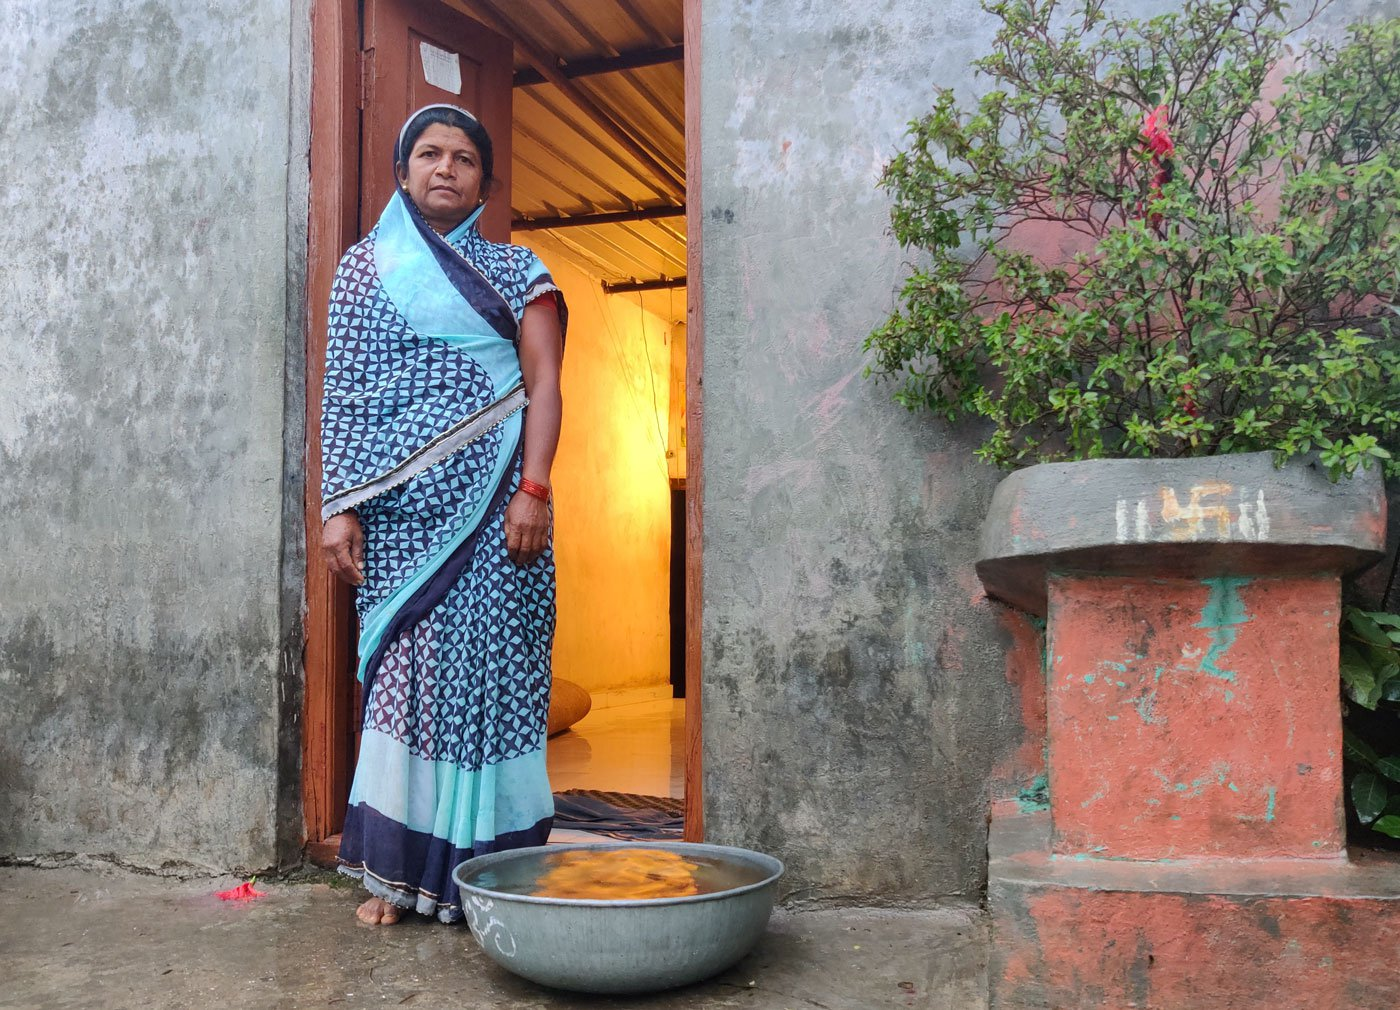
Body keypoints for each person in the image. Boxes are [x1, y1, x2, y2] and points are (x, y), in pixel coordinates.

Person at [319, 104, 566, 925]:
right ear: (402, 171)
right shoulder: (363, 272)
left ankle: (492, 878)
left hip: (501, 516)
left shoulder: (519, 271)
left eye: (464, 158)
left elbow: (545, 382)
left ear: (485, 184)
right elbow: (349, 398)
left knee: (488, 684)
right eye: (429, 153)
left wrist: (532, 488)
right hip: (398, 530)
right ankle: (393, 877)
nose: (446, 168)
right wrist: (338, 510)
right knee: (404, 689)